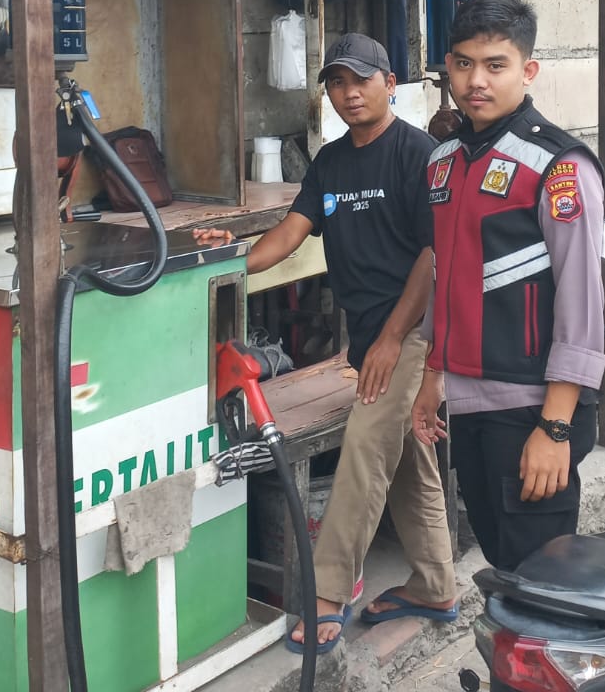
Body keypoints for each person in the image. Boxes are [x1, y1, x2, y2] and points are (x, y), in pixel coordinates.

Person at [195, 33, 456, 655]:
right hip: (369, 336)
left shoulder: (419, 155)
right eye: (337, 83)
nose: (348, 93)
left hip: (411, 334)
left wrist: (391, 339)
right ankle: (436, 586)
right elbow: (291, 232)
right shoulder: (331, 162)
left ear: (390, 84)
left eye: (361, 80)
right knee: (408, 461)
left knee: (365, 448)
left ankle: (328, 594)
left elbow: (435, 255)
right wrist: (228, 261)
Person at [411, 0, 605, 572]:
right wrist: (432, 376)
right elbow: (447, 276)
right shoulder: (443, 162)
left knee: (541, 576)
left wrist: (556, 426)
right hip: (467, 404)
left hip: (532, 407)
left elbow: (581, 301)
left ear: (528, 70)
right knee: (500, 560)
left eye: (495, 65)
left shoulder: (559, 165)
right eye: (464, 64)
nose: (477, 81)